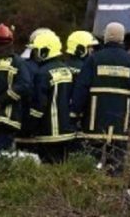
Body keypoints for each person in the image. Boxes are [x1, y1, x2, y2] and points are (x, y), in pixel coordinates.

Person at [71, 21, 130, 174]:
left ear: (105, 37)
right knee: (116, 166)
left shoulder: (93, 60)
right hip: (121, 124)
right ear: (122, 39)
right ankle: (114, 192)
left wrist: (75, 114)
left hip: (94, 122)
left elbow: (81, 88)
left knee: (90, 165)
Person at [27, 30, 77, 163]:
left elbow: (39, 105)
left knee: (48, 168)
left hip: (49, 133)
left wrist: (29, 127)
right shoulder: (67, 70)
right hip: (67, 132)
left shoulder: (43, 73)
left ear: (44, 51)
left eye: (37, 51)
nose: (35, 55)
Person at [0, 23, 32, 156]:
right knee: (0, 159)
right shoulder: (17, 63)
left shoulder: (17, 62)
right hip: (7, 119)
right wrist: (0, 102)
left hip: (3, 120)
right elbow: (25, 86)